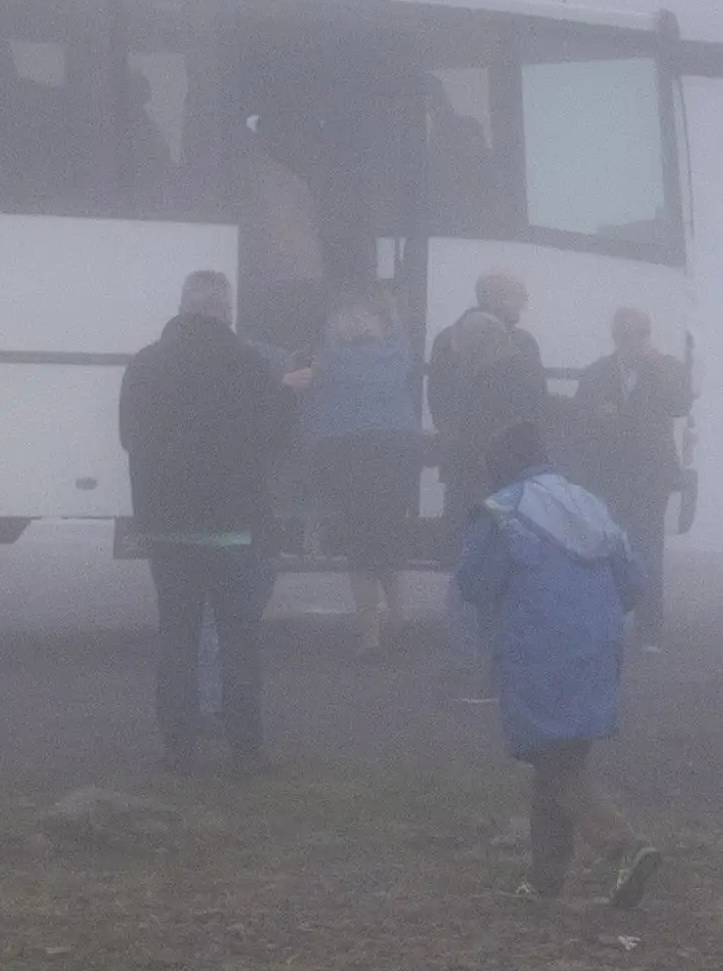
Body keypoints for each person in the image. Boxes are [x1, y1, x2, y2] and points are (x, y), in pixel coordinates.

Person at [452, 419, 662, 908]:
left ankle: (624, 847)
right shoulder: (589, 503)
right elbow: (634, 582)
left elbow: (473, 583)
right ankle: (545, 877)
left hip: (539, 643)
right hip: (600, 640)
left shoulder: (504, 509)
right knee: (563, 755)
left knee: (554, 760)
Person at [118, 270, 298, 774]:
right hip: (235, 524)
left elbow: (129, 435)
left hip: (168, 525)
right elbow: (276, 439)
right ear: (228, 311)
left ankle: (178, 747)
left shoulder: (147, 363)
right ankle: (246, 750)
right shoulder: (250, 364)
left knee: (177, 637)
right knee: (239, 640)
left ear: (182, 307)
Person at [291, 295, 430, 655]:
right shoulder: (397, 355)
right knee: (387, 532)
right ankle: (398, 616)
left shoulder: (328, 360)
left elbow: (307, 401)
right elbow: (402, 337)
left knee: (359, 542)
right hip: (398, 449)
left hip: (345, 453)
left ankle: (369, 634)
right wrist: (394, 313)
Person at [569, 309, 696, 651]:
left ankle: (649, 631)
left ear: (648, 335)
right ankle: (603, 624)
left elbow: (682, 403)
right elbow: (578, 417)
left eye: (640, 335)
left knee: (648, 551)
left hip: (650, 475)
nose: (632, 343)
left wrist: (660, 364)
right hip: (607, 475)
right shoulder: (597, 372)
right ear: (614, 338)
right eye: (624, 336)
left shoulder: (667, 369)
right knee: (603, 549)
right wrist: (597, 416)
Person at [428, 270, 549, 474]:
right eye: (519, 295)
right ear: (495, 298)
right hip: (495, 457)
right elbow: (535, 399)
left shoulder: (448, 338)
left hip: (470, 455)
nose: (524, 303)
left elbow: (438, 399)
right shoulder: (523, 343)